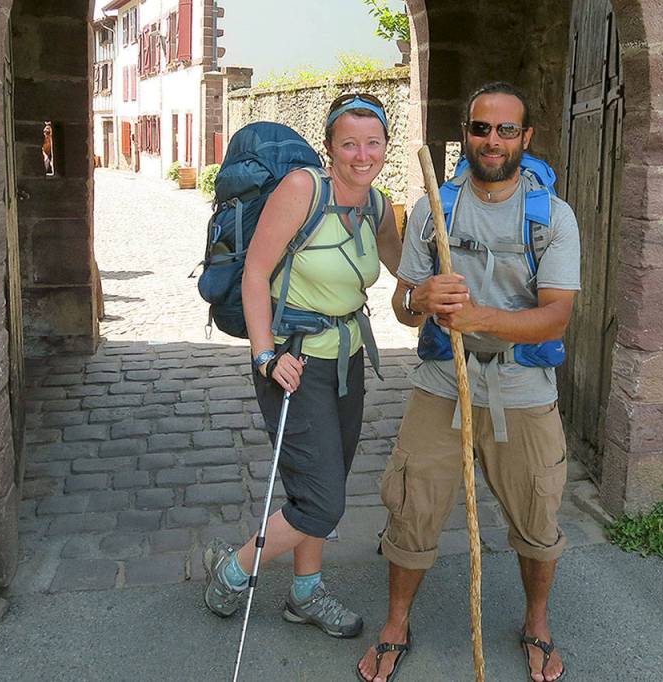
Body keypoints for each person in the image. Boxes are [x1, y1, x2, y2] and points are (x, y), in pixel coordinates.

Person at [357, 82, 580, 682]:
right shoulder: (435, 206)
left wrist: (481, 318)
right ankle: (396, 623)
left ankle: (537, 621)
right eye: (482, 128)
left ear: (525, 138)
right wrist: (422, 297)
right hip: (441, 383)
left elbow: (556, 314)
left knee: (537, 511)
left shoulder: (553, 217)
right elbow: (404, 304)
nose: (493, 140)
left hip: (523, 389)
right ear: (466, 134)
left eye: (507, 130)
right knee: (412, 505)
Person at [202, 93, 402, 639]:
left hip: (347, 358)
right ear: (329, 148)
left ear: (387, 145)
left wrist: (446, 272)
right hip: (292, 360)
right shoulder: (302, 190)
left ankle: (305, 593)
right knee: (323, 501)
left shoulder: (378, 207)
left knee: (323, 484)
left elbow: (405, 268)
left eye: (373, 143)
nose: (363, 155)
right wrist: (264, 355)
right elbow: (255, 274)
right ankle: (236, 568)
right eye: (350, 144)